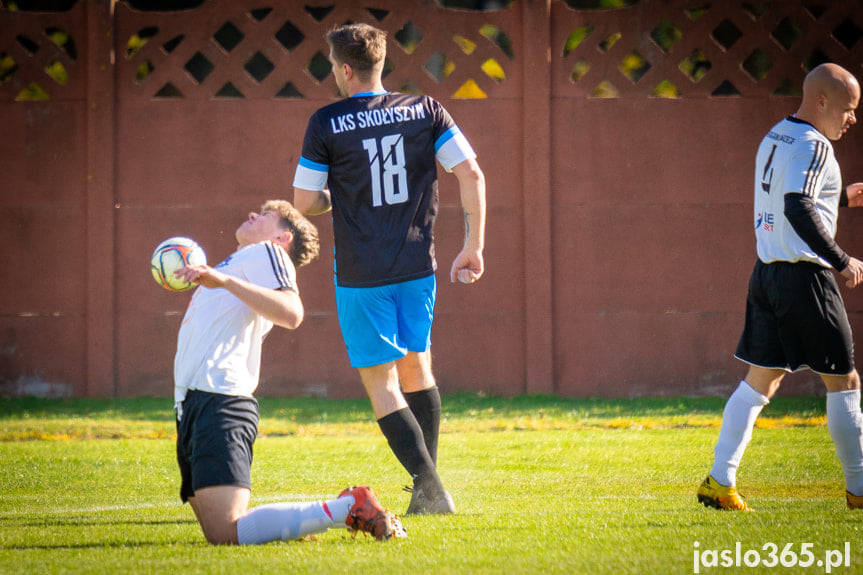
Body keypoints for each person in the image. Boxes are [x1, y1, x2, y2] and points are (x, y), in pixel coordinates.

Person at [292, 23, 486, 515]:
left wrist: (340, 195)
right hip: (418, 265)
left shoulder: (326, 121)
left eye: (333, 68)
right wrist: (474, 247)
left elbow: (306, 201)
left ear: (346, 69)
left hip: (362, 273)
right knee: (418, 368)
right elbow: (471, 173)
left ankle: (429, 485)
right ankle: (429, 490)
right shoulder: (426, 110)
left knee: (382, 383)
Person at [172, 199, 406, 544]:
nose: (252, 214)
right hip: (191, 403)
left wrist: (221, 280)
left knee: (226, 532)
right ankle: (303, 524)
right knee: (216, 533)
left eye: (266, 215)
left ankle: (348, 507)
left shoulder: (269, 253)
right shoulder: (237, 263)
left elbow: (292, 312)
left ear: (283, 239)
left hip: (221, 399)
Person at [698, 63, 863, 511]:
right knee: (845, 383)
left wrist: (843, 196)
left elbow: (792, 197)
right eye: (848, 109)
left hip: (768, 273)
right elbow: (798, 207)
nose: (852, 119)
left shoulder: (778, 135)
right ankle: (860, 490)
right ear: (822, 101)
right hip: (804, 277)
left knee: (758, 384)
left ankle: (719, 480)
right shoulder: (815, 145)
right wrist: (842, 260)